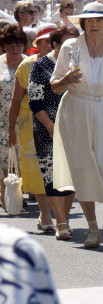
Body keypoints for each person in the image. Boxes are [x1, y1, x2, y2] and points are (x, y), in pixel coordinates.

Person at [50, 3, 103, 248]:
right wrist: (67, 79)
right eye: (90, 21)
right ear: (83, 24)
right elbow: (55, 85)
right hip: (76, 108)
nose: (94, 24)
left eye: (99, 20)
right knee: (83, 168)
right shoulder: (70, 47)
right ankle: (91, 229)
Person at [28, 26, 78, 240]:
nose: (72, 47)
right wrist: (50, 126)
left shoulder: (79, 64)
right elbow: (35, 101)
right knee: (52, 175)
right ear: (55, 44)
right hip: (46, 127)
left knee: (73, 175)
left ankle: (63, 218)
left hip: (76, 125)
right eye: (67, 43)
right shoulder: (41, 65)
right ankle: (61, 222)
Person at [8, 26, 54, 232]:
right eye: (47, 40)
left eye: (55, 40)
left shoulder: (69, 65)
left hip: (62, 121)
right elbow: (16, 100)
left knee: (60, 169)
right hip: (30, 123)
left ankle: (60, 214)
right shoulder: (26, 66)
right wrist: (11, 130)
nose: (52, 44)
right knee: (37, 170)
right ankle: (45, 213)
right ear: (38, 44)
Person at [0, 26, 28, 210]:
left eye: (18, 45)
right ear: (3, 47)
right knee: (3, 157)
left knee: (20, 158)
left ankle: (16, 192)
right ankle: (4, 194)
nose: (15, 50)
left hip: (25, 118)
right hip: (1, 117)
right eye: (10, 46)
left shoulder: (30, 64)